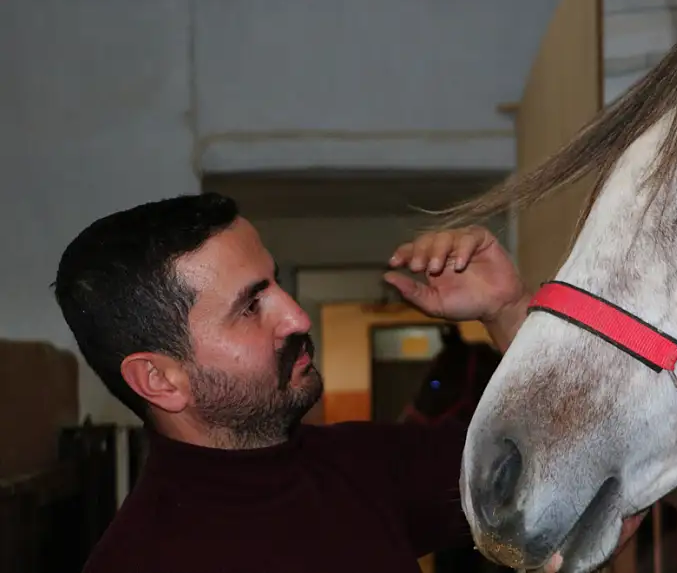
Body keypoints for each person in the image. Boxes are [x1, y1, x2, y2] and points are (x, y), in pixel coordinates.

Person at [52, 192, 530, 573]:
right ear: (159, 379)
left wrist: (508, 312)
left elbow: (535, 456)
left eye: (276, 283)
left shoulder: (359, 466)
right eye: (250, 306)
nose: (298, 317)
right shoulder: (139, 561)